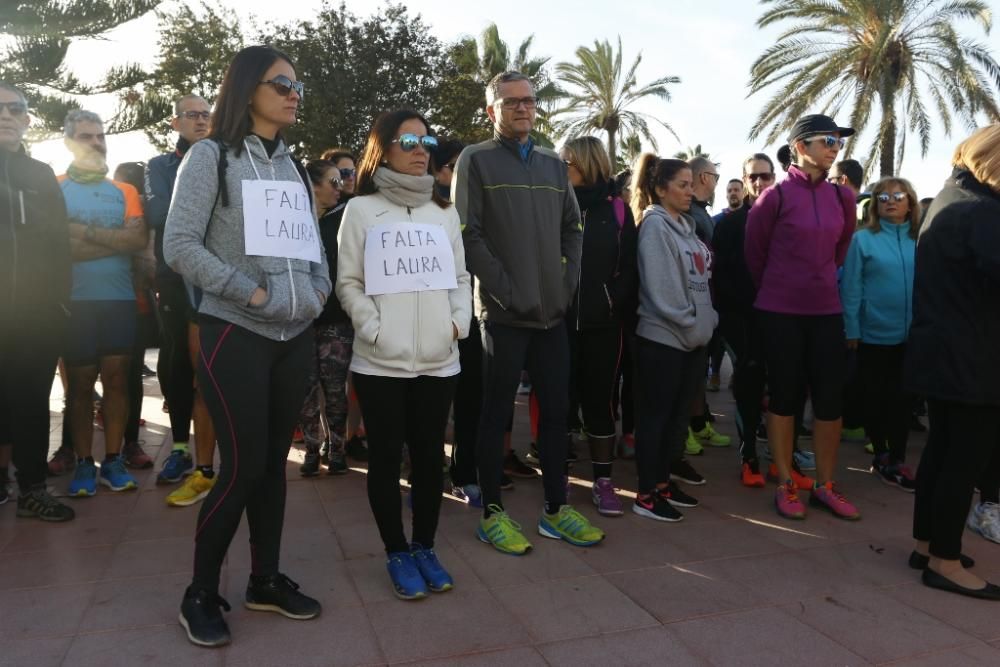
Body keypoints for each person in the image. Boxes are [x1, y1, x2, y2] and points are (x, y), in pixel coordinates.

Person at [164, 45, 328, 646]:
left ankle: (264, 580)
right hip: (235, 331)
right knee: (241, 467)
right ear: (246, 88)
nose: (293, 92)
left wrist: (315, 295)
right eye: (280, 82)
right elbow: (179, 245)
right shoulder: (210, 156)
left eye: (296, 84)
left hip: (293, 334)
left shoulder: (292, 167)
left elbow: (312, 246)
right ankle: (199, 593)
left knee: (273, 470)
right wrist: (250, 295)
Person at [454, 70, 604, 555]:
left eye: (529, 101)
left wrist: (564, 286)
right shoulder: (474, 160)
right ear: (491, 110)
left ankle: (557, 510)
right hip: (501, 315)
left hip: (551, 315)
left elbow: (572, 231)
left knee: (557, 415)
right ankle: (492, 513)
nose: (522, 108)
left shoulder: (551, 165)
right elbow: (467, 234)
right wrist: (504, 290)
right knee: (495, 415)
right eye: (511, 101)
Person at [337, 109, 471, 599]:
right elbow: (348, 282)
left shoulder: (444, 211)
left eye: (426, 140)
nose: (421, 149)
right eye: (408, 140)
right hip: (379, 362)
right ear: (383, 148)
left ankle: (425, 547)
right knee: (386, 459)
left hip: (440, 358)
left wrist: (457, 323)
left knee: (431, 459)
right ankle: (396, 550)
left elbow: (460, 277)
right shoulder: (361, 211)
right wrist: (373, 329)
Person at [745, 114, 858, 521]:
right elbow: (755, 255)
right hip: (780, 312)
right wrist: (782, 288)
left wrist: (816, 281)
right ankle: (786, 483)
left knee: (830, 399)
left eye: (839, 143)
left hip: (826, 311)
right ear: (800, 146)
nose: (835, 148)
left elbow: (840, 249)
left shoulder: (842, 198)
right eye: (827, 140)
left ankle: (825, 484)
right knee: (785, 396)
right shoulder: (772, 197)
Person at [906, 124, 1000, 600]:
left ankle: (927, 545)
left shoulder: (949, 198)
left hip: (945, 355)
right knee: (962, 461)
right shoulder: (984, 212)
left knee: (941, 455)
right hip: (974, 360)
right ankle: (944, 559)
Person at [59, 110, 149, 498]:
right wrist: (110, 237)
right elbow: (57, 245)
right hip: (73, 302)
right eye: (86, 136)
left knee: (116, 381)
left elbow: (135, 242)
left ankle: (112, 459)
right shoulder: (54, 187)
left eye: (100, 135)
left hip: (119, 300)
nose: (96, 142)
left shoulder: (124, 191)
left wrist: (82, 233)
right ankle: (83, 462)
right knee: (78, 386)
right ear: (69, 141)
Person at [0, 81, 75, 521]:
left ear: (28, 119)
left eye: (16, 108)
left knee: (30, 403)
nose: (7, 116)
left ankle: (31, 489)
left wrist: (59, 304)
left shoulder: (40, 173)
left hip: (35, 317)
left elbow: (59, 245)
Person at [630, 155, 717, 522]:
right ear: (661, 188)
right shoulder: (655, 227)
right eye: (682, 185)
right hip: (662, 342)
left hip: (691, 341)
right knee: (655, 420)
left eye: (690, 184)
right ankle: (647, 493)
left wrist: (707, 322)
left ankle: (664, 482)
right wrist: (694, 324)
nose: (690, 190)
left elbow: (701, 285)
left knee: (677, 419)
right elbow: (662, 293)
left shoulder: (686, 227)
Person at [145, 94, 221, 507]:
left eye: (207, 114)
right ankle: (179, 449)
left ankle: (212, 459)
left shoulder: (224, 159)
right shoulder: (160, 166)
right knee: (176, 363)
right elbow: (159, 217)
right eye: (192, 115)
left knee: (211, 368)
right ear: (175, 123)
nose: (201, 120)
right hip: (175, 280)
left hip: (215, 280)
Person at [560, 136, 637, 517]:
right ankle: (557, 474)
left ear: (587, 164)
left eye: (568, 162)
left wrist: (611, 302)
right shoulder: (556, 202)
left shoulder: (619, 210)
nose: (563, 168)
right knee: (560, 399)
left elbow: (630, 267)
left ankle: (603, 480)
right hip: (558, 322)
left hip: (603, 325)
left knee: (600, 401)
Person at [840, 177, 920, 491]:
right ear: (875, 204)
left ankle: (897, 458)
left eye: (898, 195)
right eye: (883, 196)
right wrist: (853, 328)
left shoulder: (921, 239)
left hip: (912, 337)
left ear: (910, 202)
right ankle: (882, 453)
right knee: (876, 397)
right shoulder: (863, 240)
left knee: (903, 399)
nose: (891, 200)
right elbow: (852, 287)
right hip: (872, 334)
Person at [712, 153, 774, 488]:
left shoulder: (785, 218)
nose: (759, 182)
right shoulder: (730, 225)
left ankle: (784, 456)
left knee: (783, 389)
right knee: (749, 386)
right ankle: (748, 455)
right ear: (745, 180)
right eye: (753, 177)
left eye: (765, 176)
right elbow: (719, 280)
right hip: (742, 321)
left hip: (780, 320)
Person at [297, 159, 352, 476]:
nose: (340, 187)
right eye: (333, 181)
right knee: (305, 392)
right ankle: (310, 451)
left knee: (335, 390)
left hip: (336, 319)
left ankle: (338, 450)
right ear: (312, 185)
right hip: (301, 321)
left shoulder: (345, 217)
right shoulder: (294, 220)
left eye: (341, 180)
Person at [321, 147, 369, 463]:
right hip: (329, 314)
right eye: (342, 174)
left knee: (359, 384)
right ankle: (330, 440)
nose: (348, 180)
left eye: (352, 173)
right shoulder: (316, 219)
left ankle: (354, 436)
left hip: (362, 312)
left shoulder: (364, 211)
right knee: (331, 386)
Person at [112, 161, 157, 472]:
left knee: (127, 378)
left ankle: (129, 443)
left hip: (135, 306)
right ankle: (71, 448)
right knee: (85, 377)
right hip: (100, 302)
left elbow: (148, 262)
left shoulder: (145, 217)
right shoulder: (107, 207)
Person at [685, 157, 731, 447]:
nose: (717, 181)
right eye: (715, 175)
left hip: (707, 304)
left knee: (699, 369)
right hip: (691, 306)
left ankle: (699, 423)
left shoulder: (700, 212)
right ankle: (684, 429)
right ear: (704, 177)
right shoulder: (690, 213)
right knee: (689, 371)